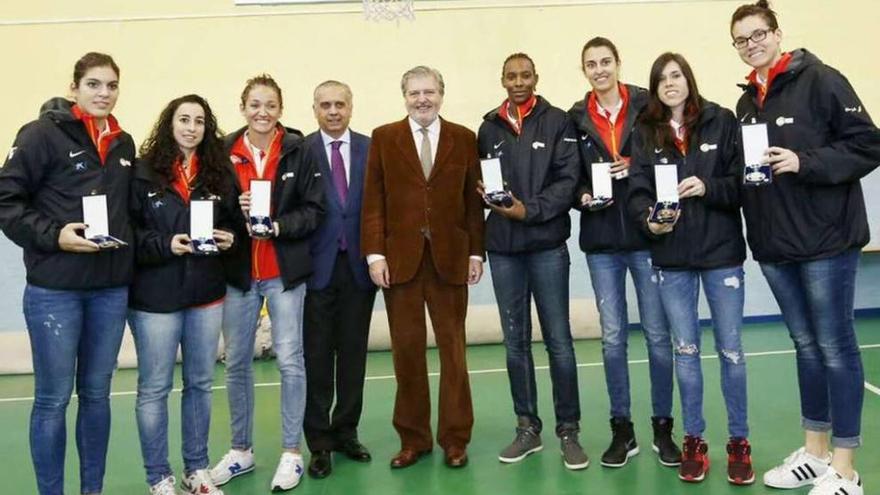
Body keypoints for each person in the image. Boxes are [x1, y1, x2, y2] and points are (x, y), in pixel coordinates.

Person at [729, 2, 880, 494]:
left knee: (835, 347)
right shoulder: (747, 102)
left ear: (776, 33)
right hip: (776, 245)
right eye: (741, 40)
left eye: (758, 35)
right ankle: (814, 453)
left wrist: (805, 160)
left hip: (826, 241)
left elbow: (868, 146)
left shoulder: (822, 79)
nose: (751, 45)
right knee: (806, 347)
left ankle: (845, 468)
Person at [0, 52, 135, 495]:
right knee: (53, 400)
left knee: (97, 397)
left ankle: (91, 490)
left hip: (109, 292)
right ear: (75, 86)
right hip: (55, 292)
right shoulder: (40, 135)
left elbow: (133, 212)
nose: (104, 93)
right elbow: (7, 202)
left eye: (111, 85)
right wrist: (55, 235)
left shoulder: (123, 143)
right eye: (94, 84)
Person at [628, 52, 753, 485]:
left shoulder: (720, 120)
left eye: (676, 75)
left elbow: (743, 183)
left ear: (688, 78)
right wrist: (651, 219)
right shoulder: (644, 132)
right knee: (685, 353)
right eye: (661, 78)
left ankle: (739, 441)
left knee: (732, 351)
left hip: (722, 256)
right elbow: (637, 194)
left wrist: (708, 186)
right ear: (655, 87)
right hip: (672, 260)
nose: (670, 83)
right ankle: (694, 441)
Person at [361, 65, 484, 469]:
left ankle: (454, 438)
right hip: (400, 264)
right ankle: (414, 439)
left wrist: (475, 253)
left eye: (429, 92)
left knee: (454, 353)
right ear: (405, 97)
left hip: (450, 260)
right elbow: (374, 201)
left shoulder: (464, 139)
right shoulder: (384, 138)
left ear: (442, 94)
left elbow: (473, 203)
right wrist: (375, 255)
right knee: (407, 354)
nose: (422, 99)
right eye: (414, 93)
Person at [568, 37, 680, 469]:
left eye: (605, 62)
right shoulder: (576, 118)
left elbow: (672, 155)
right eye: (591, 64)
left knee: (656, 335)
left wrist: (637, 166)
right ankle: (622, 430)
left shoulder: (649, 106)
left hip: (647, 237)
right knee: (613, 338)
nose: (599, 70)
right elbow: (571, 177)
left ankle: (662, 428)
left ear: (618, 64)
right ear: (585, 71)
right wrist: (582, 197)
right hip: (601, 245)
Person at [210, 74, 324, 493]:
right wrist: (231, 209)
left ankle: (292, 453)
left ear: (280, 109)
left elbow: (315, 211)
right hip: (239, 275)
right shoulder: (223, 152)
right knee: (237, 361)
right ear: (243, 107)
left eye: (270, 105)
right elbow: (209, 209)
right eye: (255, 104)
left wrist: (276, 223)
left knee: (291, 360)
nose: (262, 112)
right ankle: (241, 449)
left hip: (284, 273)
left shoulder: (299, 149)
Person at [477, 53, 587, 470]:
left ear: (536, 77)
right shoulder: (488, 128)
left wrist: (528, 210)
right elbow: (483, 181)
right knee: (515, 342)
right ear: (502, 79)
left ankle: (569, 429)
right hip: (503, 249)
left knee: (559, 341)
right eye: (511, 76)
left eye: (525, 75)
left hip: (546, 246)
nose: (518, 81)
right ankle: (527, 427)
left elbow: (568, 181)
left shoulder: (557, 121)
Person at [129, 94, 240, 495]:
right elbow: (130, 236)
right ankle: (159, 476)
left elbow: (232, 225)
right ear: (169, 123)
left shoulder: (218, 173)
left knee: (199, 383)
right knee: (155, 388)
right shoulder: (142, 173)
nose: (191, 127)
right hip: (155, 301)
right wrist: (165, 244)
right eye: (184, 119)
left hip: (206, 296)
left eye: (199, 121)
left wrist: (229, 238)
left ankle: (197, 470)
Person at [302, 80, 377, 479]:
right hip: (317, 270)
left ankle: (346, 431)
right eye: (325, 105)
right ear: (314, 109)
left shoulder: (371, 148)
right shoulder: (301, 151)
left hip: (359, 270)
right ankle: (319, 443)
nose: (333, 111)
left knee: (353, 356)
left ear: (351, 107)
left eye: (340, 104)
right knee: (317, 358)